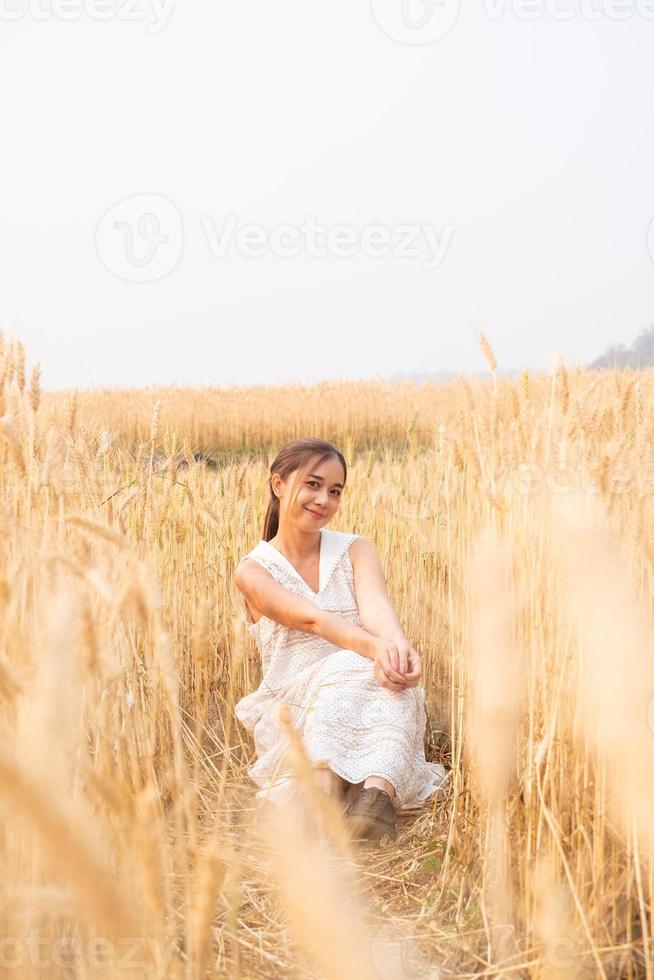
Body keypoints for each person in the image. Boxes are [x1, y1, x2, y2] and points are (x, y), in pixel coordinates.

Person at [233, 437, 450, 841]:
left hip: (369, 684)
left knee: (393, 681)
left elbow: (375, 608)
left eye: (335, 491)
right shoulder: (253, 571)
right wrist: (375, 650)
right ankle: (319, 794)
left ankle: (375, 799)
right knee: (355, 666)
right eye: (313, 485)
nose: (324, 500)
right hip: (296, 701)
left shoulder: (355, 549)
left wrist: (398, 649)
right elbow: (313, 620)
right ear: (279, 486)